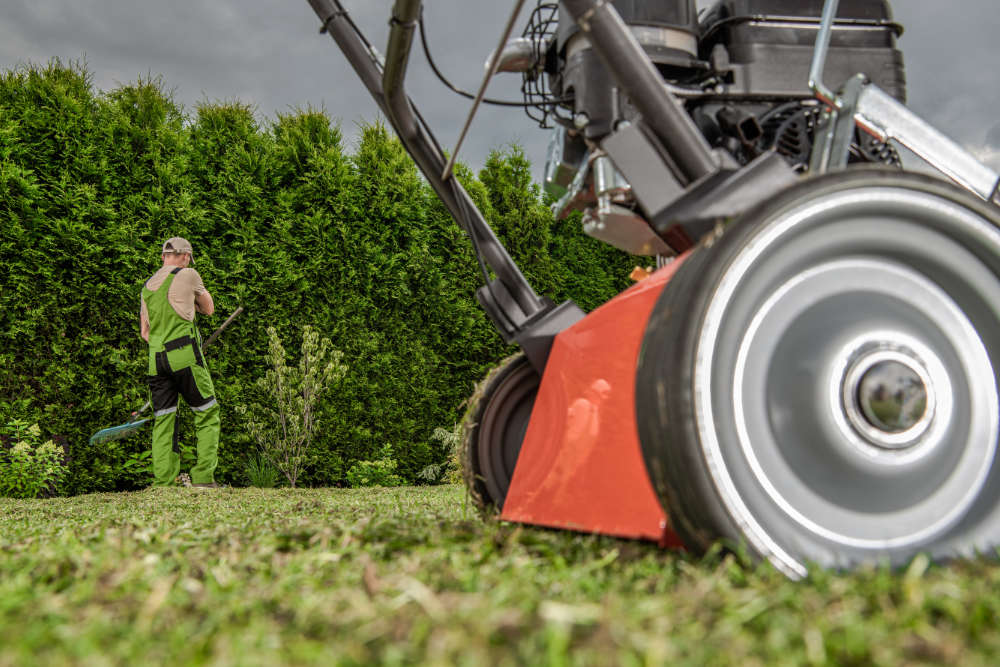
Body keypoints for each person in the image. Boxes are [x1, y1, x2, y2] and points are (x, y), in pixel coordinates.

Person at [139, 237, 221, 489]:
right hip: (184, 355)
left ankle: (164, 482)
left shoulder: (147, 286)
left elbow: (145, 332)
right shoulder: (189, 274)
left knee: (164, 418)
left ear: (164, 256)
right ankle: (203, 478)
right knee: (207, 413)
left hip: (156, 361)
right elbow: (209, 308)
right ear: (185, 256)